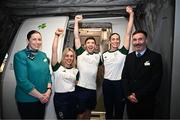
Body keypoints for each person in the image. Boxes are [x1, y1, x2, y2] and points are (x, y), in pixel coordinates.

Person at [101, 6, 134, 119]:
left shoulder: (123, 52)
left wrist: (131, 14)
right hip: (107, 84)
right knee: (108, 110)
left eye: (117, 39)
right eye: (113, 39)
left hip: (120, 85)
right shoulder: (104, 54)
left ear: (119, 41)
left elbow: (128, 33)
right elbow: (102, 69)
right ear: (110, 41)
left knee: (119, 110)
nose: (115, 41)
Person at [122, 30, 163, 119]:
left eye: (140, 39)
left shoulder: (155, 57)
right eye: (135, 40)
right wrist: (128, 94)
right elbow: (124, 77)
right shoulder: (129, 57)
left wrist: (138, 95)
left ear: (146, 40)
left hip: (146, 102)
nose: (137, 42)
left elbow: (155, 81)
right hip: (130, 102)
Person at [13, 30, 52, 119]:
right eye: (34, 39)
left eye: (39, 39)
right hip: (27, 100)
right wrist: (40, 96)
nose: (37, 42)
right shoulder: (20, 55)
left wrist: (48, 90)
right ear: (28, 40)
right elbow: (22, 81)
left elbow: (48, 74)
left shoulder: (43, 55)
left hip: (43, 98)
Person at [74, 15, 102, 119]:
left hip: (92, 89)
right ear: (85, 45)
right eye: (88, 43)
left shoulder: (98, 56)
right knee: (80, 113)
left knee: (89, 112)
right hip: (81, 88)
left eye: (92, 43)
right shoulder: (81, 53)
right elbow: (76, 37)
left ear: (95, 45)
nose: (90, 44)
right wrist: (76, 21)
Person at [51, 28, 78, 119]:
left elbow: (76, 84)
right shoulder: (57, 67)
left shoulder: (76, 70)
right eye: (67, 55)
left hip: (73, 98)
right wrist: (56, 36)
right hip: (60, 99)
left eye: (71, 56)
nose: (69, 58)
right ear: (64, 56)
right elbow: (54, 50)